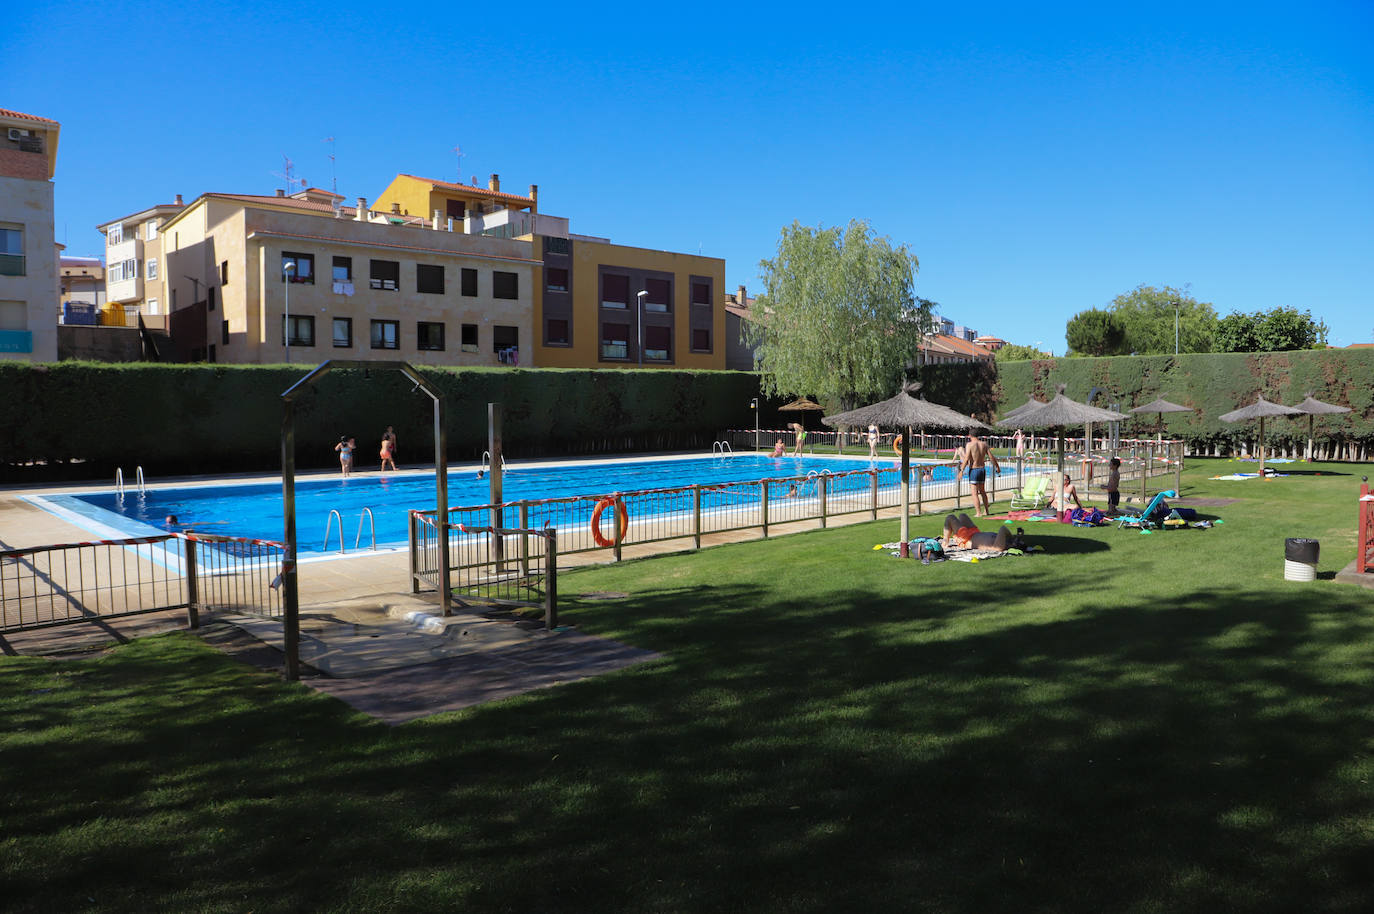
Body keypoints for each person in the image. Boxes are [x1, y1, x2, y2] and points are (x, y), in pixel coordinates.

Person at [958, 431, 1002, 517]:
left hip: (974, 469)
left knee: (974, 493)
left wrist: (961, 470)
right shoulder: (984, 444)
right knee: (982, 491)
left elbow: (966, 458)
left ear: (970, 435)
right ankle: (986, 511)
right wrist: (997, 466)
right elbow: (991, 457)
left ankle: (978, 513)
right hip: (982, 469)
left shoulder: (969, 445)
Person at [941, 513, 1012, 552]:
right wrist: (1012, 538)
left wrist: (1012, 537)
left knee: (950, 517)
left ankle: (945, 542)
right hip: (974, 533)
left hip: (966, 539)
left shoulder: (998, 547)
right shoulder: (1003, 541)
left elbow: (1003, 529)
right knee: (962, 515)